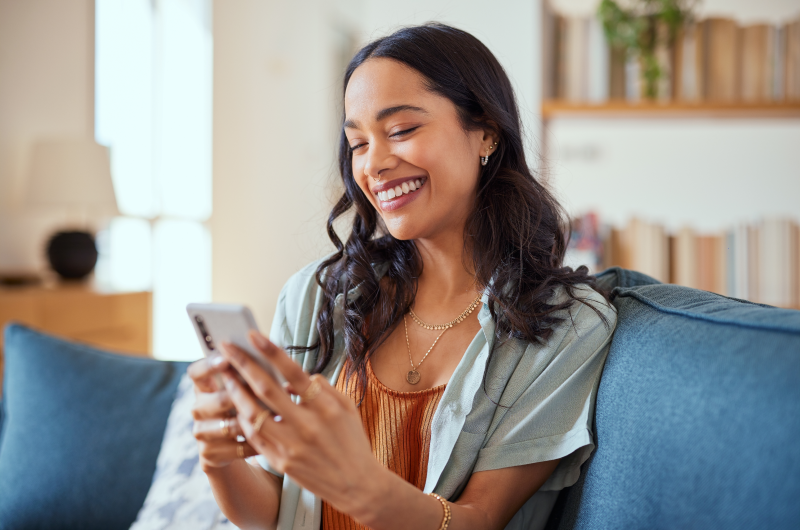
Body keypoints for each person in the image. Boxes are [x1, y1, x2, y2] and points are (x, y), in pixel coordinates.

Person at [188, 23, 617, 530]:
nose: (375, 165)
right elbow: (276, 513)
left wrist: (358, 486)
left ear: (486, 132)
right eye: (357, 143)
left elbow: (480, 520)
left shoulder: (564, 325)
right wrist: (220, 459)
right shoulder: (317, 296)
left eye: (401, 131)